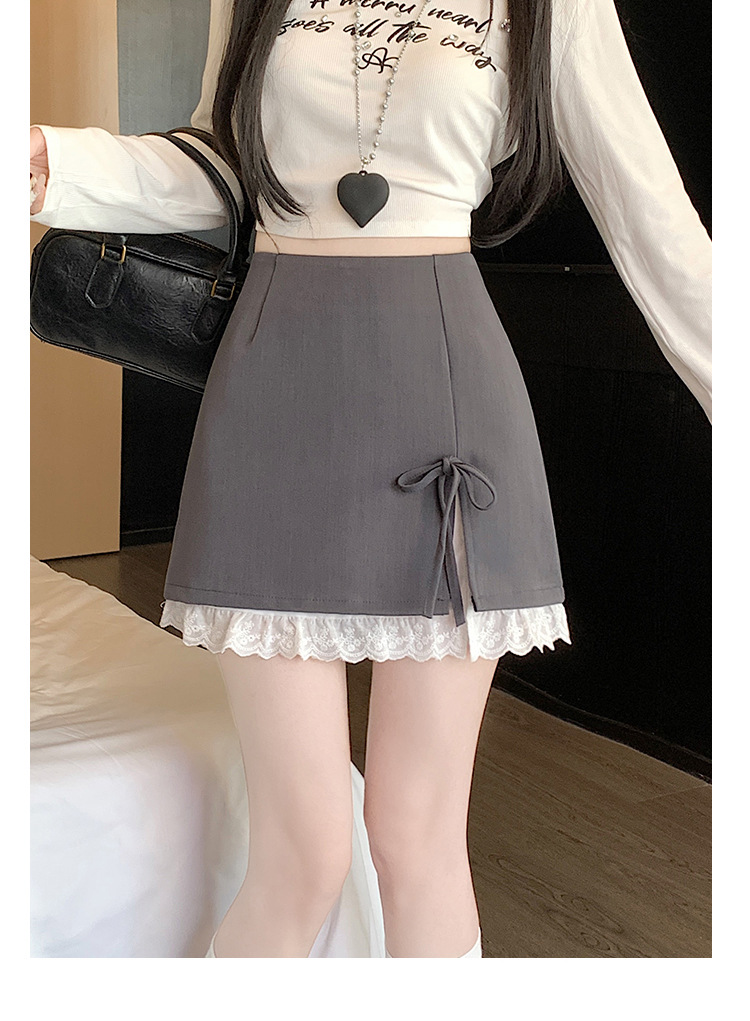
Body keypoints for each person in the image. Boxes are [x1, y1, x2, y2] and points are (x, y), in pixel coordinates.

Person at [30, 0, 711, 959]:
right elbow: (223, 166)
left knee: (414, 836)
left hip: (448, 412)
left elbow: (650, 213)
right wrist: (54, 162)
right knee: (301, 853)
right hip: (272, 402)